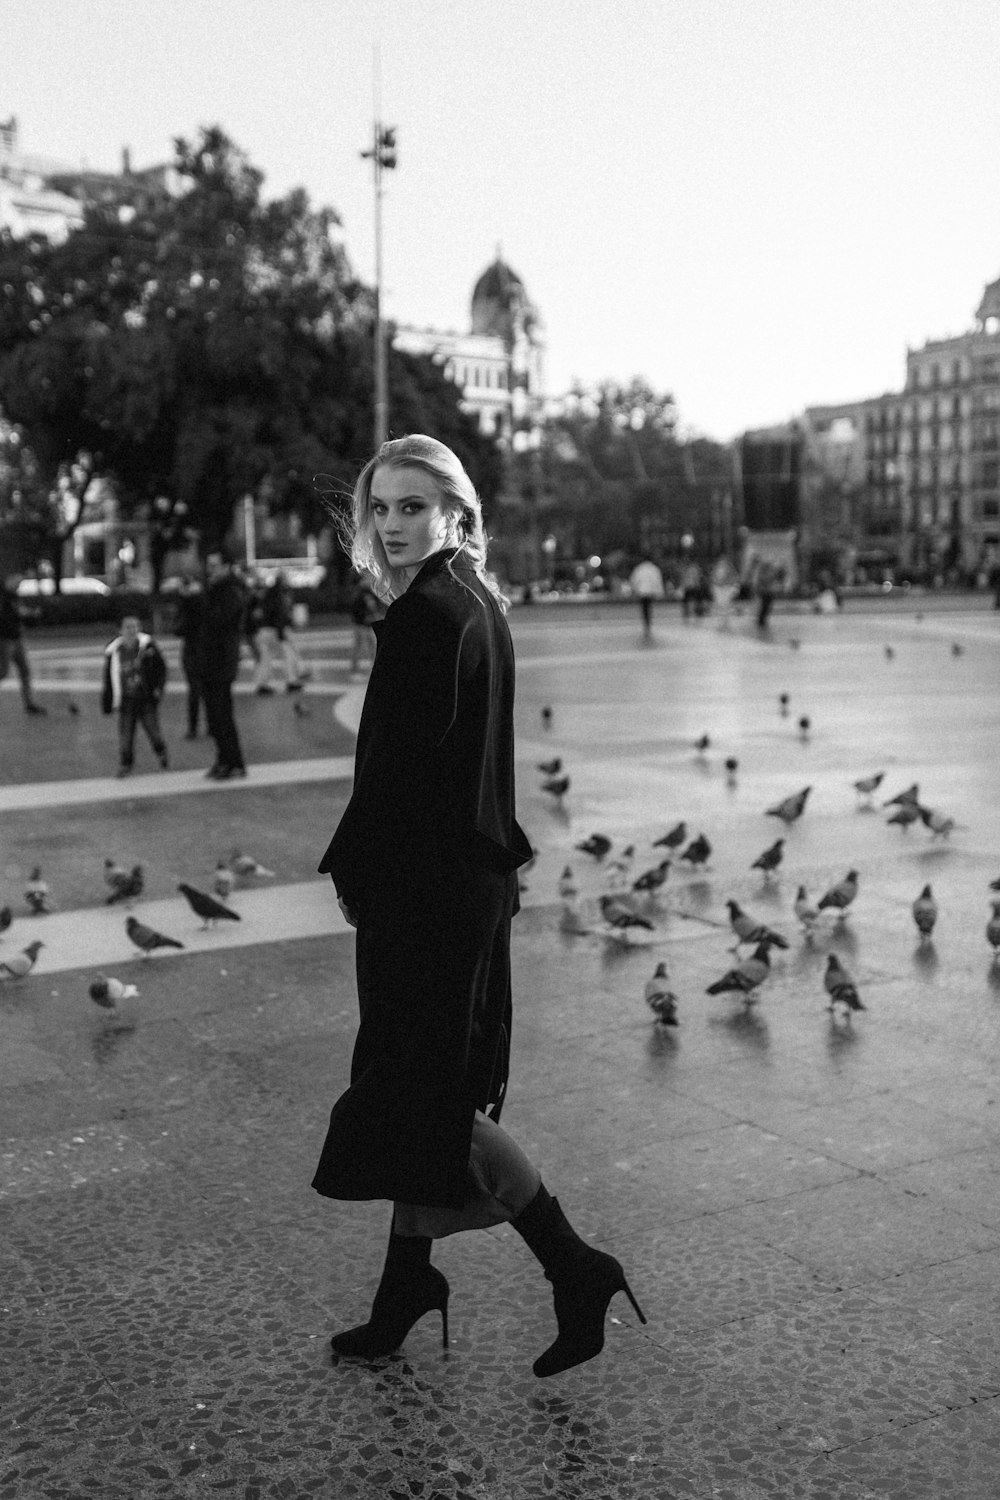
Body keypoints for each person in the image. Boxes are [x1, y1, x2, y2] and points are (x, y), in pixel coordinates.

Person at [313, 434, 646, 1379]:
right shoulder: (477, 605)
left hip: (427, 899)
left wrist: (359, 879)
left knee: (429, 1102)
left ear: (454, 512)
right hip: (466, 889)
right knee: (428, 1092)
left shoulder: (427, 618)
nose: (392, 526)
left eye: (412, 507)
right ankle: (405, 1286)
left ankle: (575, 1266)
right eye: (380, 509)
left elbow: (396, 781)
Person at [198, 548, 247, 780]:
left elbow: (219, 621)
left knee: (221, 715)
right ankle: (226, 759)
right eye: (209, 565)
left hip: (221, 662)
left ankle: (232, 761)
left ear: (227, 567)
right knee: (215, 716)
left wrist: (200, 598)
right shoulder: (217, 590)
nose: (211, 570)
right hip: (211, 661)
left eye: (215, 566)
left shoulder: (230, 591)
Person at [100, 614, 168, 777]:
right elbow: (108, 678)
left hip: (145, 698)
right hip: (126, 700)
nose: (132, 630)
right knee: (125, 735)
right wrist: (107, 701)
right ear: (120, 630)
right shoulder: (114, 652)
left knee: (153, 731)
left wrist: (158, 688)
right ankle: (126, 764)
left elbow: (161, 669)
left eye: (135, 627)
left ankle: (161, 751)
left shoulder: (148, 647)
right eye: (128, 627)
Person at [0, 571, 46, 715]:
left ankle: (29, 703)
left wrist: (29, 615)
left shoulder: (13, 597)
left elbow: (19, 613)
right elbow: (9, 615)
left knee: (24, 670)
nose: (18, 586)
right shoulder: (3, 597)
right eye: (17, 582)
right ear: (9, 580)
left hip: (16, 638)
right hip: (5, 639)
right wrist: (23, 614)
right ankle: (29, 703)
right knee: (3, 671)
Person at [252, 571, 306, 694]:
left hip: (265, 629)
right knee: (287, 655)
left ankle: (262, 684)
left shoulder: (269, 594)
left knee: (266, 658)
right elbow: (278, 615)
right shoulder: (279, 595)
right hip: (274, 630)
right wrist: (281, 633)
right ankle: (291, 681)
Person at [173, 574, 205, 739]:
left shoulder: (187, 605)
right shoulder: (205, 602)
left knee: (194, 690)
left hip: (193, 650)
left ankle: (193, 727)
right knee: (205, 690)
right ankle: (210, 726)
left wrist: (184, 599)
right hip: (202, 649)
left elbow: (178, 628)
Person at [347, 572, 382, 673]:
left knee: (372, 645)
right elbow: (355, 609)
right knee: (359, 645)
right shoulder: (358, 593)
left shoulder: (370, 592)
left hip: (368, 624)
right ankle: (354, 668)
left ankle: (374, 665)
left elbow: (376, 607)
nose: (369, 581)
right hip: (360, 624)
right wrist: (363, 618)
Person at [628, 556, 665, 641]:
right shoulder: (654, 569)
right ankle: (648, 623)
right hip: (650, 592)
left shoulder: (639, 569)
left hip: (642, 591)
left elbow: (634, 580)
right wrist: (659, 592)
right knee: (648, 608)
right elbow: (657, 580)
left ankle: (646, 623)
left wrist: (634, 589)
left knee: (644, 608)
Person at [710, 556, 739, 629]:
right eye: (721, 563)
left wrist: (733, 589)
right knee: (720, 606)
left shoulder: (731, 571)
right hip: (719, 589)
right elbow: (714, 579)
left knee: (726, 606)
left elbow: (734, 580)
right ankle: (721, 621)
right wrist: (716, 586)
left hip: (726, 589)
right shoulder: (716, 570)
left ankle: (725, 622)